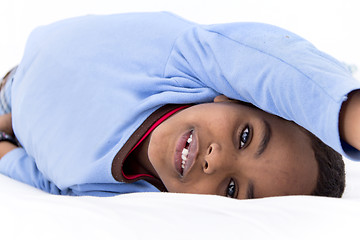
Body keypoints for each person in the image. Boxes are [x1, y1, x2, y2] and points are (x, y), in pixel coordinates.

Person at [0, 12, 358, 198]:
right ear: (233, 95)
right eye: (245, 136)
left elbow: (55, 186)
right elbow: (271, 64)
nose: (216, 159)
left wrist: (6, 147)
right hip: (19, 73)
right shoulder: (186, 61)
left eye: (232, 190)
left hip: (13, 114)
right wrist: (346, 115)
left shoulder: (125, 191)